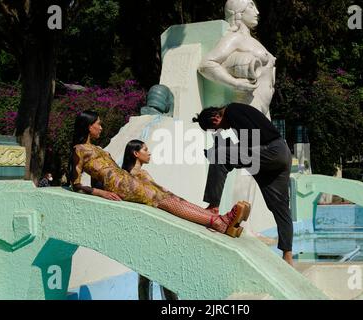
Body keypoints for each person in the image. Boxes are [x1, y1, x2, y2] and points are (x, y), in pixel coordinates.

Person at [69, 110, 251, 239]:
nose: (101, 127)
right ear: (88, 126)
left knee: (169, 195)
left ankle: (215, 217)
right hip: (120, 186)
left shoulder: (98, 149)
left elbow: (97, 178)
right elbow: (75, 184)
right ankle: (218, 223)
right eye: (98, 124)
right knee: (161, 199)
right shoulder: (79, 150)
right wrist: (102, 194)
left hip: (125, 180)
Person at [192, 102, 294, 266]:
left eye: (216, 128)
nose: (222, 130)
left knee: (219, 156)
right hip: (281, 154)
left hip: (271, 152)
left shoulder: (232, 111)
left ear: (216, 117)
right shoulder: (238, 114)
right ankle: (288, 255)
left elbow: (248, 143)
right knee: (279, 207)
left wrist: (220, 152)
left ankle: (213, 206)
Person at [121, 139, 178, 300]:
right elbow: (160, 194)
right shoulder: (140, 174)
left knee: (145, 274)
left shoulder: (125, 175)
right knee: (164, 273)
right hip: (151, 227)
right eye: (145, 150)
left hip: (139, 228)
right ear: (136, 153)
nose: (149, 152)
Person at [198, 0, 276, 118]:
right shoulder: (235, 38)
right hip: (249, 104)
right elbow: (206, 65)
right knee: (248, 136)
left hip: (263, 107)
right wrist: (236, 83)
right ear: (239, 12)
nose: (257, 12)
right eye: (251, 6)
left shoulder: (254, 41)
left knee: (256, 136)